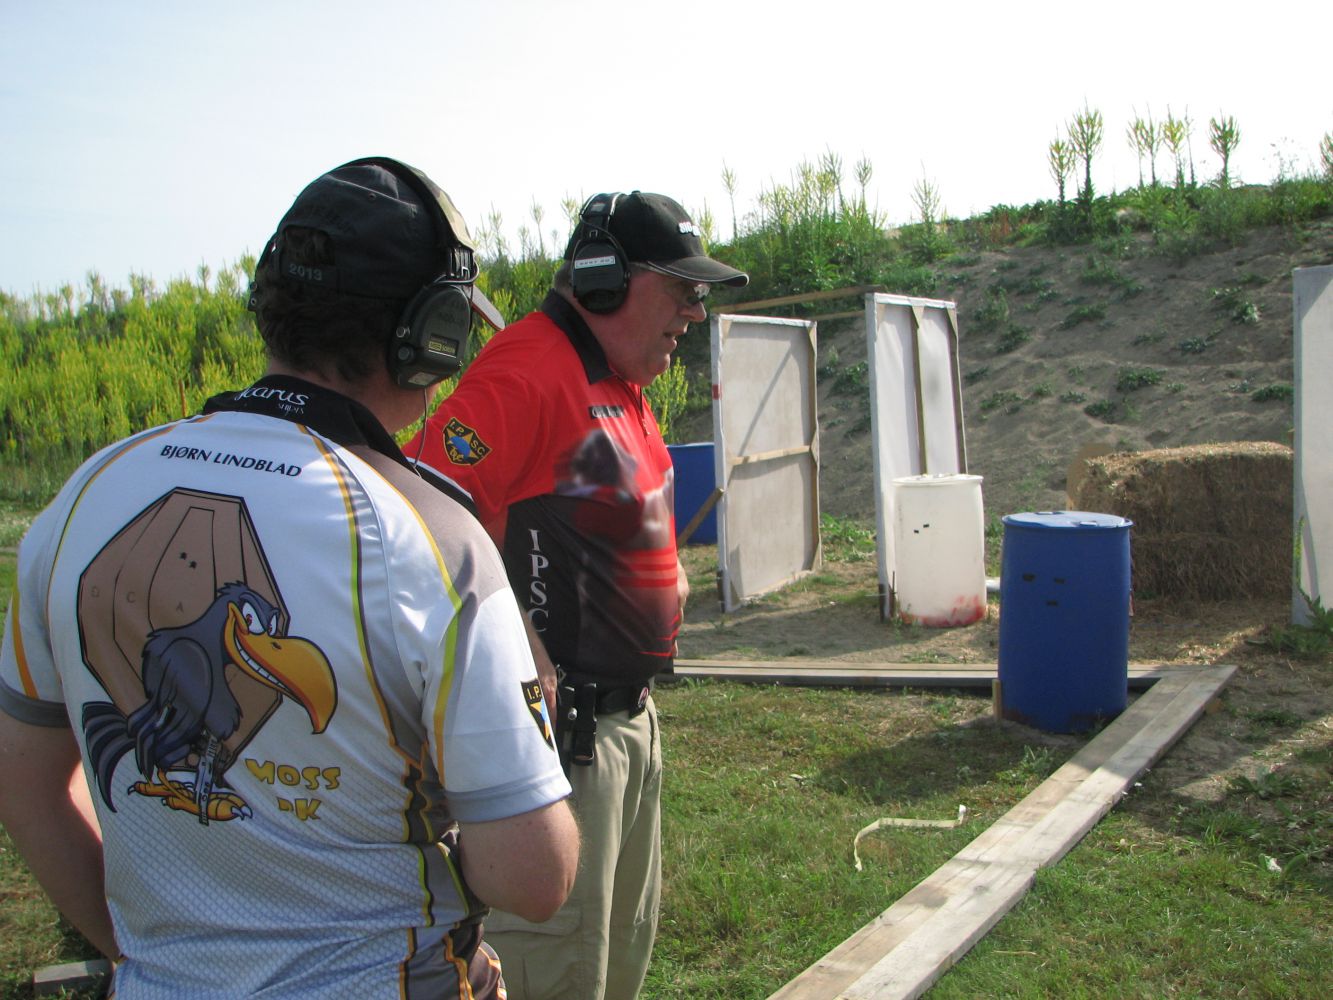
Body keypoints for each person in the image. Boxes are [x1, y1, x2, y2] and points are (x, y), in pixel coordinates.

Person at [0, 157, 579, 998]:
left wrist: (142, 956)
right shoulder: (435, 538)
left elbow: (24, 783)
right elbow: (532, 875)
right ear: (432, 334)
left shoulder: (83, 496)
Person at [406, 190, 749, 998]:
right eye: (682, 290)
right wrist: (514, 632)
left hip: (626, 728)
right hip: (558, 741)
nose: (694, 313)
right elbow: (416, 509)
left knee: (614, 961)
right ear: (604, 280)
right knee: (552, 971)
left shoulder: (619, 380)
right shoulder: (527, 370)